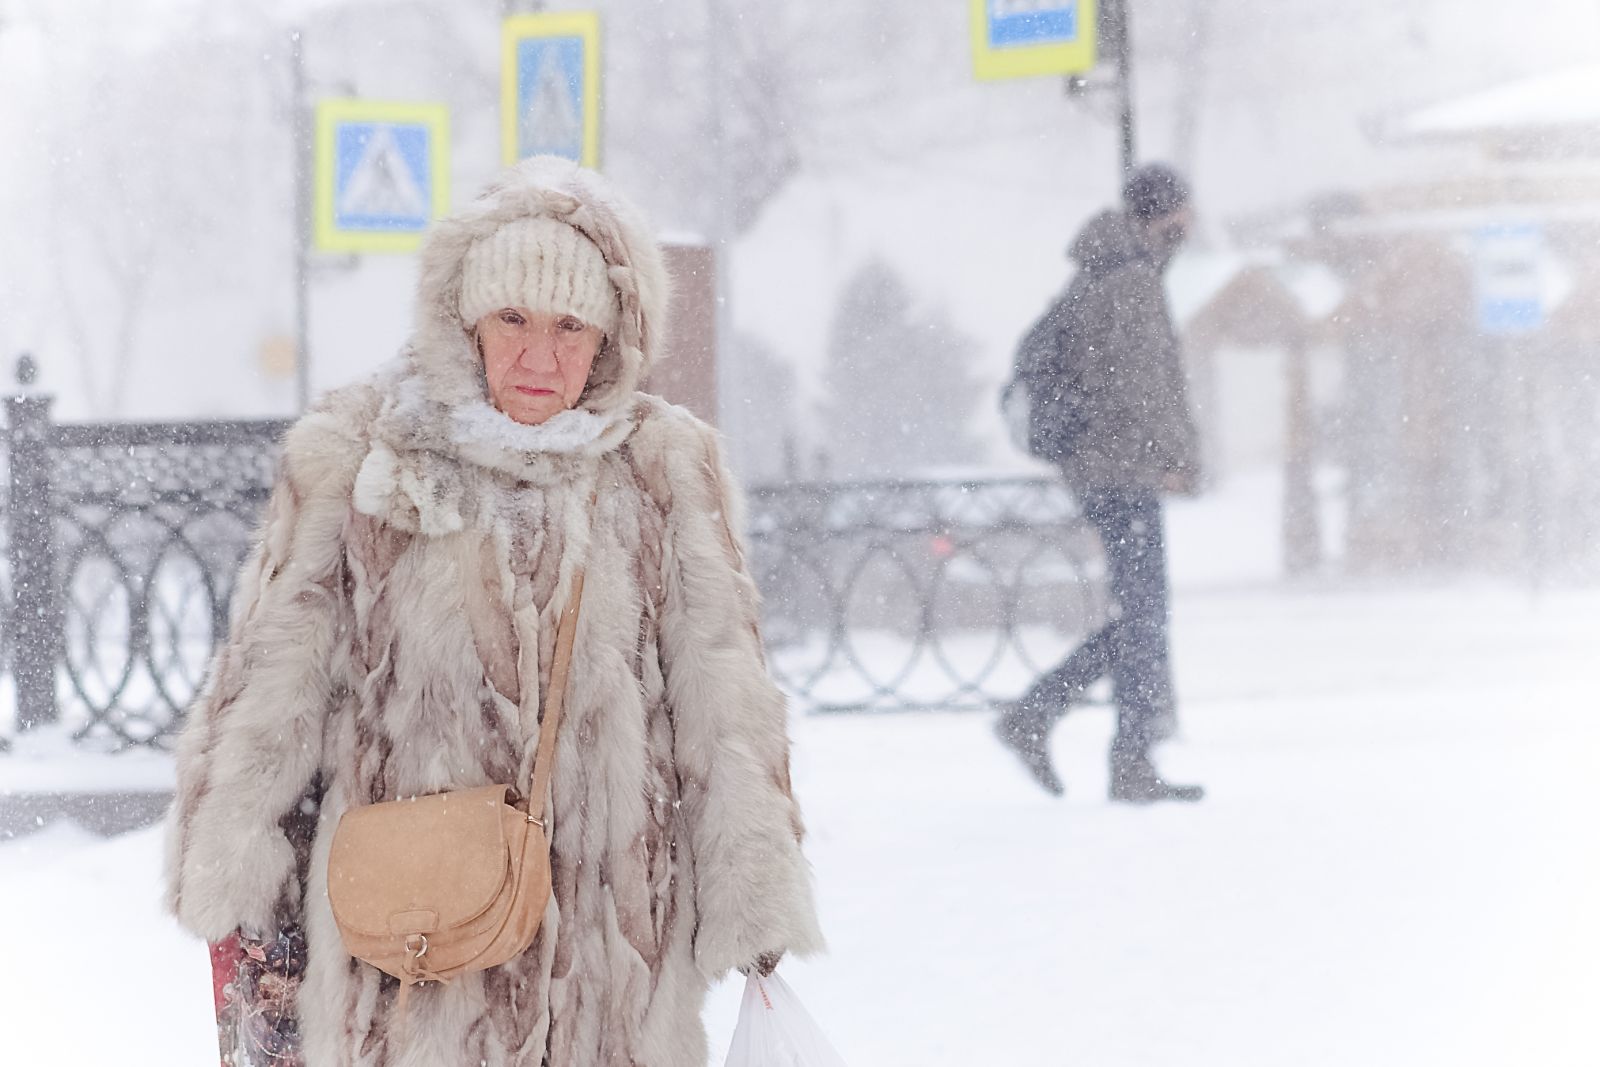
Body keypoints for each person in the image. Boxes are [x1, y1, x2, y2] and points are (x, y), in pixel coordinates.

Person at [164, 157, 823, 1066]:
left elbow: (724, 693)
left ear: (610, 337)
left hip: (610, 952)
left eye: (570, 325)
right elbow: (273, 684)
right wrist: (238, 878)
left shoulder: (662, 469)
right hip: (410, 947)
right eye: (512, 318)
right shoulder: (363, 455)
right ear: (465, 319)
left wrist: (754, 888)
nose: (540, 355)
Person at [995, 162, 1205, 804]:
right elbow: (1146, 383)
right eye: (1184, 211)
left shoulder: (1103, 268)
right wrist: (1179, 457)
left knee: (1138, 616)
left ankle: (1049, 720)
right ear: (1164, 213)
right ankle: (1110, 751)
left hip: (1100, 464)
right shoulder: (1131, 279)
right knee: (1143, 617)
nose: (1191, 223)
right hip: (1121, 468)